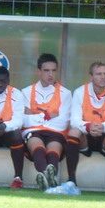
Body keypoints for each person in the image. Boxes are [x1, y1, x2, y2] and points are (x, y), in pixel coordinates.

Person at [62, 61, 105, 195]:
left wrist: (103, 126)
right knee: (73, 131)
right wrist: (88, 127)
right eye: (99, 74)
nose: (103, 77)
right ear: (91, 77)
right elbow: (74, 120)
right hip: (86, 138)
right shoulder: (80, 92)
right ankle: (71, 182)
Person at [20, 52, 72, 190]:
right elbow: (23, 120)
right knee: (36, 144)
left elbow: (63, 121)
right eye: (46, 70)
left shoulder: (65, 93)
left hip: (56, 132)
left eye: (54, 71)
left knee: (53, 147)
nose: (50, 74)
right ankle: (48, 179)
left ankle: (47, 180)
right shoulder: (26, 92)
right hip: (33, 132)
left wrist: (34, 114)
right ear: (39, 71)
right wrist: (48, 116)